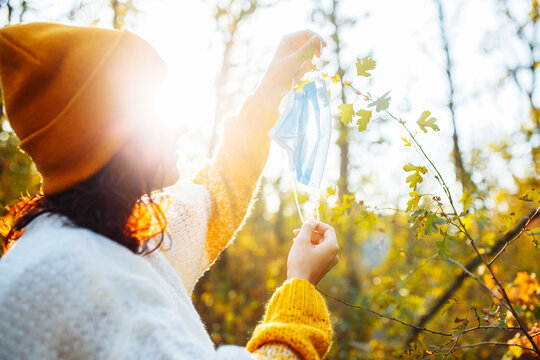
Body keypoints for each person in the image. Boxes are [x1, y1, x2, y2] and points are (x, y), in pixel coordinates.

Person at [0, 22, 338, 359]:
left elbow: (218, 196)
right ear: (110, 138)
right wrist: (300, 291)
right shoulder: (74, 277)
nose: (181, 124)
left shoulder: (113, 233)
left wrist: (270, 89)